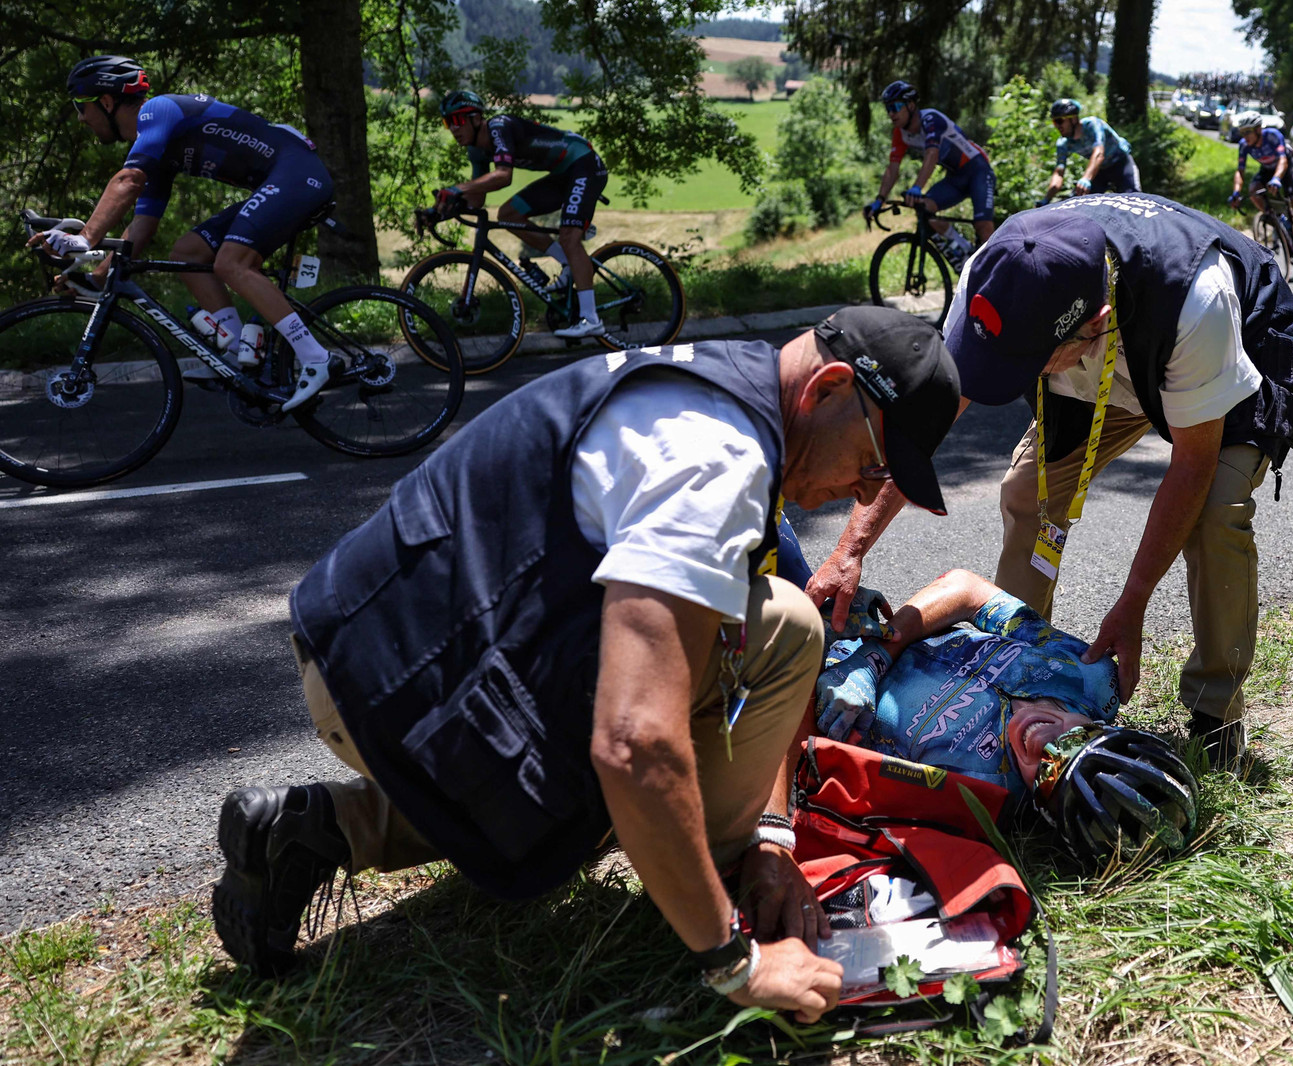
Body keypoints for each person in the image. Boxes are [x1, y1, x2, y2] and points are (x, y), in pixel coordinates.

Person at [209, 306, 964, 1024]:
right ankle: (706, 906)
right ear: (827, 389)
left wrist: (771, 836)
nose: (865, 492)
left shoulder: (734, 391)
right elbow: (634, 743)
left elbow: (732, 638)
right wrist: (735, 964)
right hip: (391, 683)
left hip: (389, 645)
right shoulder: (717, 459)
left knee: (783, 624)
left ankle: (323, 828)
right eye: (873, 464)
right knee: (634, 788)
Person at [808, 195, 1293, 770]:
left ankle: (1216, 714)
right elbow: (923, 427)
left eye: (1023, 362)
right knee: (1027, 493)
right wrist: (850, 550)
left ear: (1093, 326)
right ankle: (1010, 667)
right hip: (1101, 368)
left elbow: (1192, 465)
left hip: (1228, 350)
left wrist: (1133, 602)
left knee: (1215, 512)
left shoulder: (1197, 300)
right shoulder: (996, 277)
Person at [813, 568, 1198, 864]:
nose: (1043, 744)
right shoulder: (1088, 676)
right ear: (1103, 727)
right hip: (872, 630)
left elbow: (823, 761)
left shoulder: (975, 794)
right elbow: (967, 589)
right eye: (1076, 740)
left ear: (1046, 814)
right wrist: (875, 654)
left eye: (1049, 775)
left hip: (806, 670)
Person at [29, 56, 337, 410]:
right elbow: (142, 227)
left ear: (107, 102)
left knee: (231, 263)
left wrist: (83, 238)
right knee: (188, 252)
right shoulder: (156, 148)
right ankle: (237, 354)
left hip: (297, 175)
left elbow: (129, 180)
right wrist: (97, 279)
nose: (81, 119)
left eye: (81, 107)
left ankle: (316, 358)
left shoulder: (157, 111)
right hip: (284, 180)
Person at [435, 90, 610, 338]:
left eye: (458, 120)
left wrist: (456, 189)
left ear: (476, 118)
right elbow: (476, 200)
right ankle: (568, 263)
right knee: (509, 214)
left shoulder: (498, 127)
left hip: (584, 164)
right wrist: (439, 211)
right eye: (447, 122)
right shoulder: (476, 151)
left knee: (569, 237)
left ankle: (591, 319)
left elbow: (503, 176)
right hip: (563, 174)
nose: (453, 128)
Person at [864, 80, 996, 267]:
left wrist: (917, 187)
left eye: (895, 107)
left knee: (983, 225)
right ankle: (964, 250)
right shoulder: (900, 133)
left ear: (911, 105)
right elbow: (893, 168)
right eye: (888, 109)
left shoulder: (931, 119)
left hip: (978, 170)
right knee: (926, 209)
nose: (891, 113)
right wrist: (879, 200)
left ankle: (999, 271)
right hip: (955, 178)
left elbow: (932, 154)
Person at [1228, 110, 1293, 271]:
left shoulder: (1272, 135)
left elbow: (1283, 160)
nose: (1244, 136)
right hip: (1267, 169)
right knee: (1254, 191)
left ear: (1258, 129)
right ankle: (1277, 218)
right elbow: (1240, 171)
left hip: (1286, 167)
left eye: (1247, 132)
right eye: (1242, 132)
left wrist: (1277, 179)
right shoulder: (1244, 145)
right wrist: (1236, 192)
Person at [1042, 99, 1141, 201]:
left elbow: (1099, 153)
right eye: (1054, 122)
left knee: (1134, 199)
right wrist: (1046, 200)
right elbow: (1059, 173)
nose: (1058, 126)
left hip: (1121, 163)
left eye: (1059, 121)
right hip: (1100, 170)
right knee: (1079, 200)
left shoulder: (1093, 125)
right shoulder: (1064, 143)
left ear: (1073, 119)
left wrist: (1086, 178)